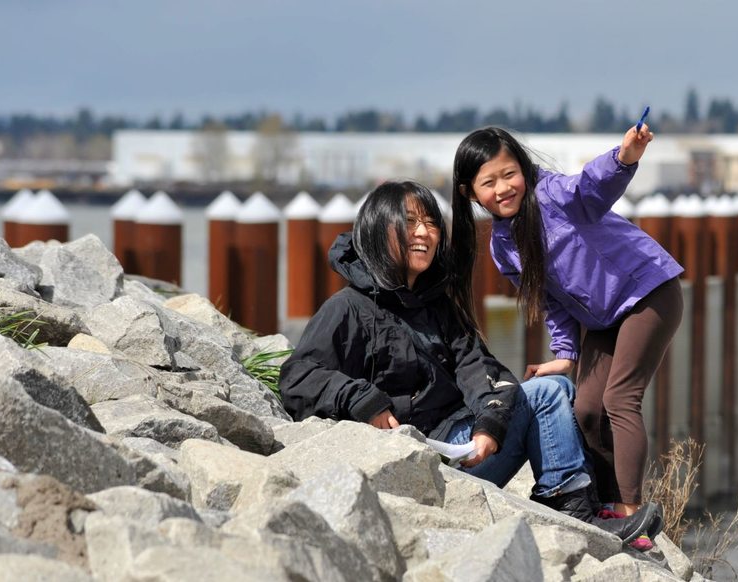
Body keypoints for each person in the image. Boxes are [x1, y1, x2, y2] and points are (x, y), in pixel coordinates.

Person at [278, 180, 660, 544]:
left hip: (464, 453)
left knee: (554, 388)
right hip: (415, 465)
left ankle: (573, 507)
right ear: (378, 229)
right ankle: (574, 513)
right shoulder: (347, 308)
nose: (425, 233)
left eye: (430, 223)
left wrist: (490, 422)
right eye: (410, 222)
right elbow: (298, 376)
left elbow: (479, 368)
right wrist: (362, 400)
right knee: (548, 391)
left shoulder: (438, 305)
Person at [449, 126, 684, 550]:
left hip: (648, 291)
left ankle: (632, 512)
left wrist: (624, 157)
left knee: (619, 400)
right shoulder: (504, 248)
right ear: (469, 193)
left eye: (509, 174)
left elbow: (591, 187)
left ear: (523, 168)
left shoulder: (554, 194)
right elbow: (551, 301)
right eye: (489, 182)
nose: (503, 188)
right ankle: (610, 505)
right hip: (604, 319)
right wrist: (565, 354)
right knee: (587, 409)